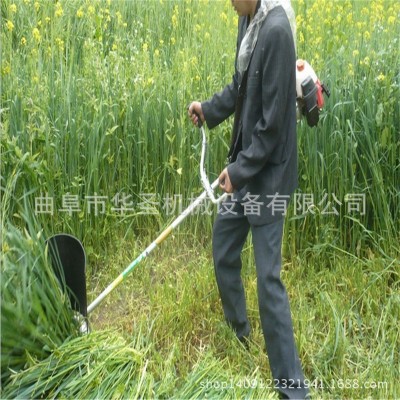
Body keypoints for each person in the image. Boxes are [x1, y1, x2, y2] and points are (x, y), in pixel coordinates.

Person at [188, 0, 309, 398]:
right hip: (247, 167)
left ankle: (293, 390)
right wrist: (209, 110)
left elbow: (272, 126)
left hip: (268, 178)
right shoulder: (249, 19)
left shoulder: (276, 32)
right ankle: (239, 333)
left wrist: (238, 172)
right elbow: (241, 87)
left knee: (268, 281)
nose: (228, 2)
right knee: (224, 242)